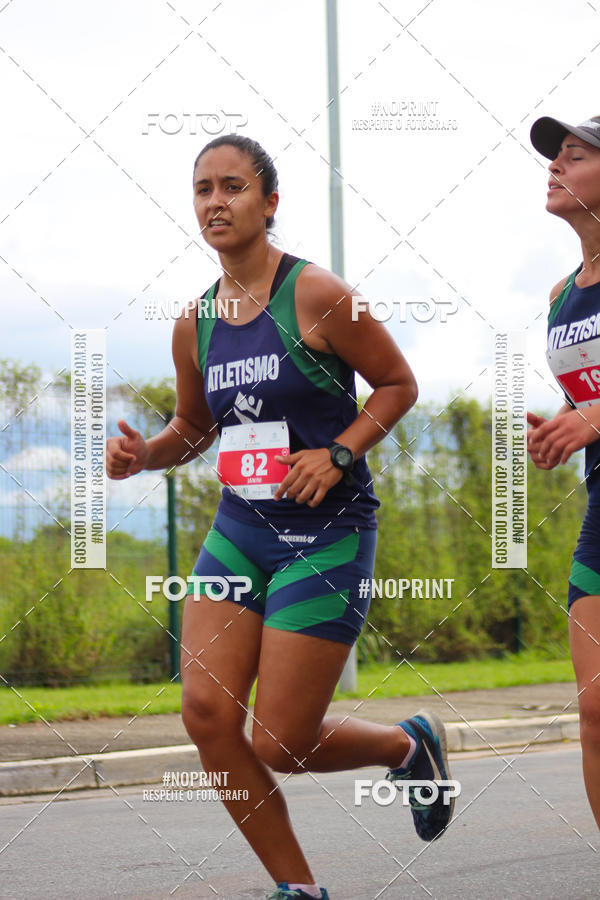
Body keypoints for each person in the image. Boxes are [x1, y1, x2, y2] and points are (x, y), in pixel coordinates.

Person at [106, 134, 456, 898]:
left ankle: (407, 747)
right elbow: (194, 429)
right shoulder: (195, 321)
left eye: (232, 186)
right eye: (203, 189)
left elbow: (398, 385)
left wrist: (339, 451)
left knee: (281, 741)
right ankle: (298, 889)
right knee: (205, 713)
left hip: (325, 534)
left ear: (269, 202)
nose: (215, 202)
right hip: (241, 530)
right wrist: (146, 456)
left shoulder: (319, 293)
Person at [528, 114, 600, 830]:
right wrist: (561, 424)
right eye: (552, 157)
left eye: (573, 155)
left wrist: (596, 416)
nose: (553, 166)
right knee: (595, 711)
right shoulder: (561, 295)